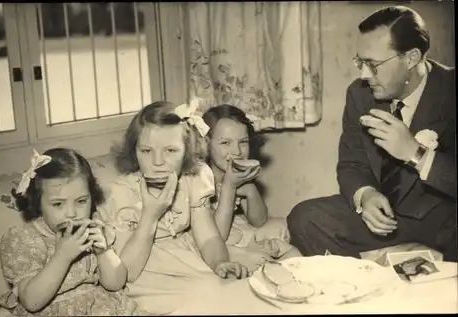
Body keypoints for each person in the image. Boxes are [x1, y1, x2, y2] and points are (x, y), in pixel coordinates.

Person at [287, 6, 457, 261]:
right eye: (360, 62)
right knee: (305, 218)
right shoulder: (360, 94)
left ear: (411, 58)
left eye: (373, 64)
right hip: (388, 214)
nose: (364, 75)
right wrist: (365, 194)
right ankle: (367, 287)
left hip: (446, 217)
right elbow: (351, 163)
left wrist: (416, 153)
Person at [99, 101, 250, 314]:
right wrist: (151, 215)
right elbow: (128, 273)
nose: (157, 161)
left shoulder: (193, 179)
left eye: (170, 150)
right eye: (146, 150)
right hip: (145, 272)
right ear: (134, 151)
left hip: (187, 259)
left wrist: (220, 262)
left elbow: (208, 237)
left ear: (187, 151)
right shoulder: (121, 194)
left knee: (236, 295)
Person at [0, 148, 147, 316]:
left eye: (81, 201)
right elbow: (32, 301)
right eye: (58, 204)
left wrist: (103, 252)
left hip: (99, 308)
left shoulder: (94, 228)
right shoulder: (23, 238)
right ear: (38, 203)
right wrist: (63, 256)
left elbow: (116, 284)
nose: (72, 213)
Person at [202, 104, 301, 267]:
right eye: (225, 143)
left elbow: (260, 221)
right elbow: (216, 236)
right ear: (205, 144)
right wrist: (229, 187)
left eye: (243, 142)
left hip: (241, 230)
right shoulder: (200, 180)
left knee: (290, 246)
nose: (237, 151)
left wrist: (250, 190)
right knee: (260, 260)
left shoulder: (237, 171)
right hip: (217, 240)